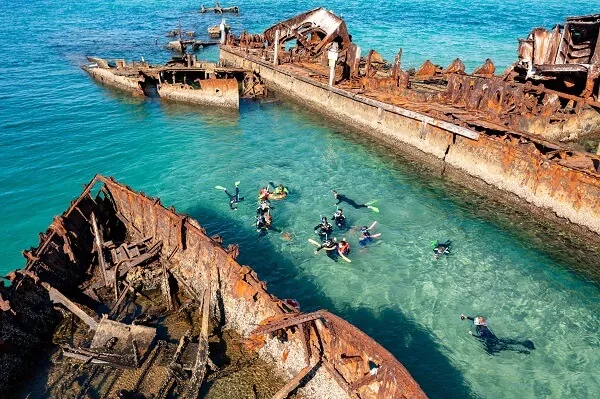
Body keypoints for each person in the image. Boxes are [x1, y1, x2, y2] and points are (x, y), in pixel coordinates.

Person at [460, 314, 535, 355]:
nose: (484, 320)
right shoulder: (482, 326)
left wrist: (472, 335)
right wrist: (466, 317)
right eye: (482, 319)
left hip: (493, 345)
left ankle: (523, 350)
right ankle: (522, 346)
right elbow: (474, 319)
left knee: (508, 347)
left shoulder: (483, 330)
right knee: (508, 343)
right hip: (496, 340)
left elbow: (482, 338)